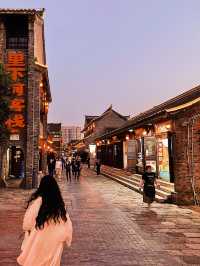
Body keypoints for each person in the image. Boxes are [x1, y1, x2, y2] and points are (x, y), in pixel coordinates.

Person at [17, 175, 73, 266]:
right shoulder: (60, 205)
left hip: (39, 240)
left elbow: (27, 223)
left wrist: (28, 231)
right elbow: (67, 224)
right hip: (55, 241)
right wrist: (65, 238)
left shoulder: (39, 202)